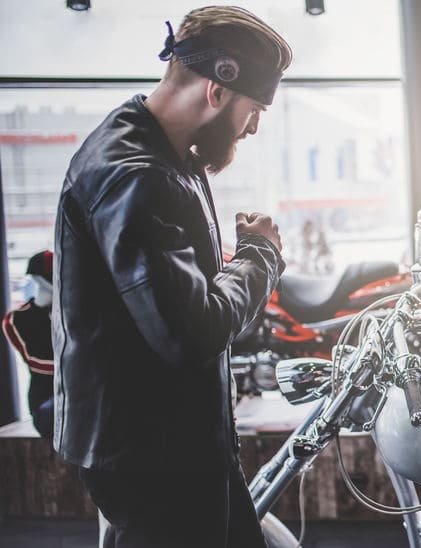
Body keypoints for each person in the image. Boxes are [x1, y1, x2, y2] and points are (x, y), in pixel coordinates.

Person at [52, 7, 292, 547]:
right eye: (254, 109)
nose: (254, 126)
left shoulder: (165, 151)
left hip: (176, 439)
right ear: (217, 92)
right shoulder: (134, 173)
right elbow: (191, 332)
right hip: (154, 458)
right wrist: (259, 257)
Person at [2, 250, 54, 439]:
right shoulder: (17, 320)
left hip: (81, 399)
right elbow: (35, 361)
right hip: (48, 401)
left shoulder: (71, 314)